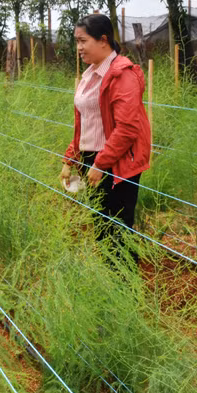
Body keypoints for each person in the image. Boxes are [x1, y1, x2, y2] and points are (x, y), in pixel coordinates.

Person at [60, 13, 152, 244]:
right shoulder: (90, 74)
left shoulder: (122, 74)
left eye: (83, 41)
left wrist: (101, 164)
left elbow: (128, 128)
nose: (79, 47)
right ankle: (110, 277)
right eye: (77, 41)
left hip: (116, 164)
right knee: (102, 227)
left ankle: (124, 279)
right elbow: (87, 123)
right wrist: (69, 160)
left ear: (103, 40)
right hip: (93, 162)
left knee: (118, 234)